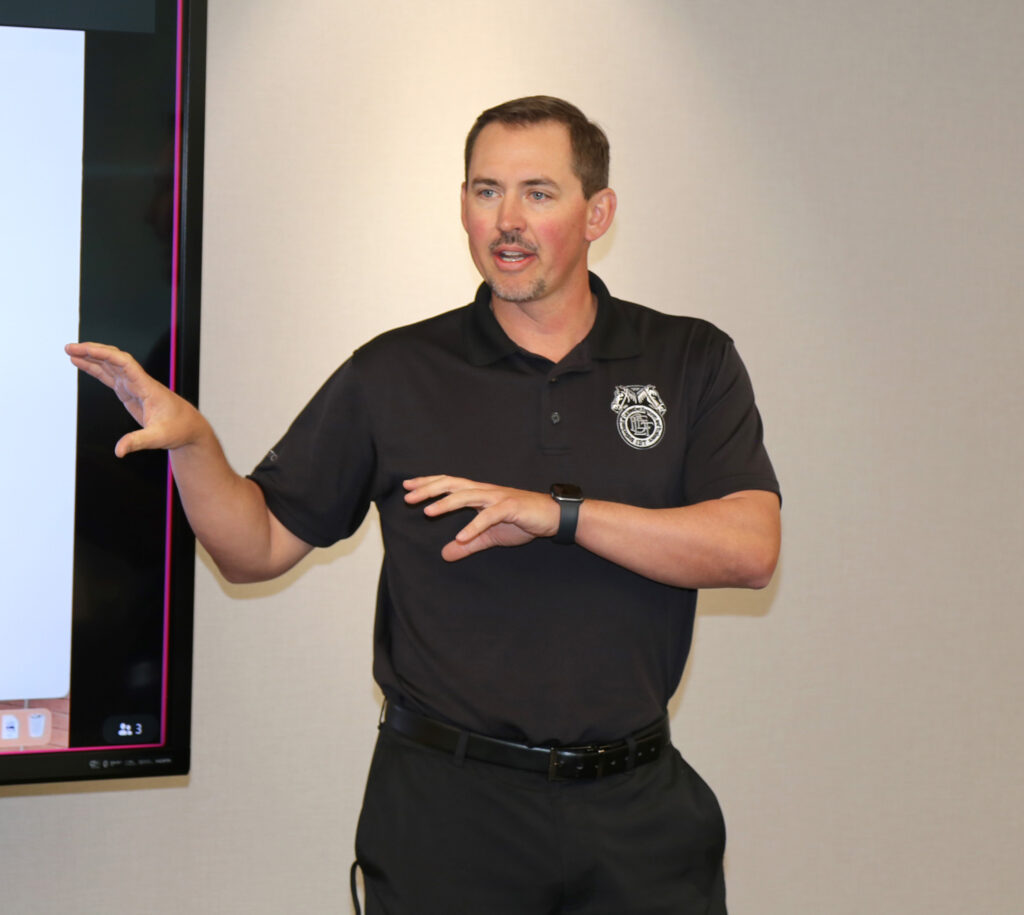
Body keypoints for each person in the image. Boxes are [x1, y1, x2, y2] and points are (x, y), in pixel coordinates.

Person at [67, 96, 780, 914]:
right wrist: (196, 446)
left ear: (598, 213)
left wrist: (558, 514)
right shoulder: (394, 372)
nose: (507, 220)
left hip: (638, 812)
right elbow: (253, 546)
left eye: (539, 193)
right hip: (449, 813)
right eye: (486, 191)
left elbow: (750, 547)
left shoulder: (689, 359)